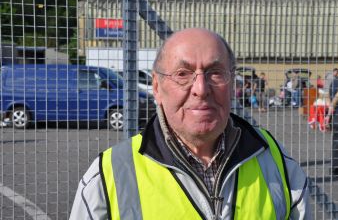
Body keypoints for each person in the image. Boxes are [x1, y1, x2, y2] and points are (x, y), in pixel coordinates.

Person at [70, 28, 310, 219]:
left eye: (215, 72)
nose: (201, 89)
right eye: (182, 74)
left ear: (231, 82)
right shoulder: (109, 175)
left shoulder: (276, 161)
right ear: (157, 87)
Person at [327, 68, 338, 175]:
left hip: (335, 116)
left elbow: (328, 98)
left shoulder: (333, 82)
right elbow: (336, 97)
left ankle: (334, 167)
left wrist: (328, 116)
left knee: (335, 142)